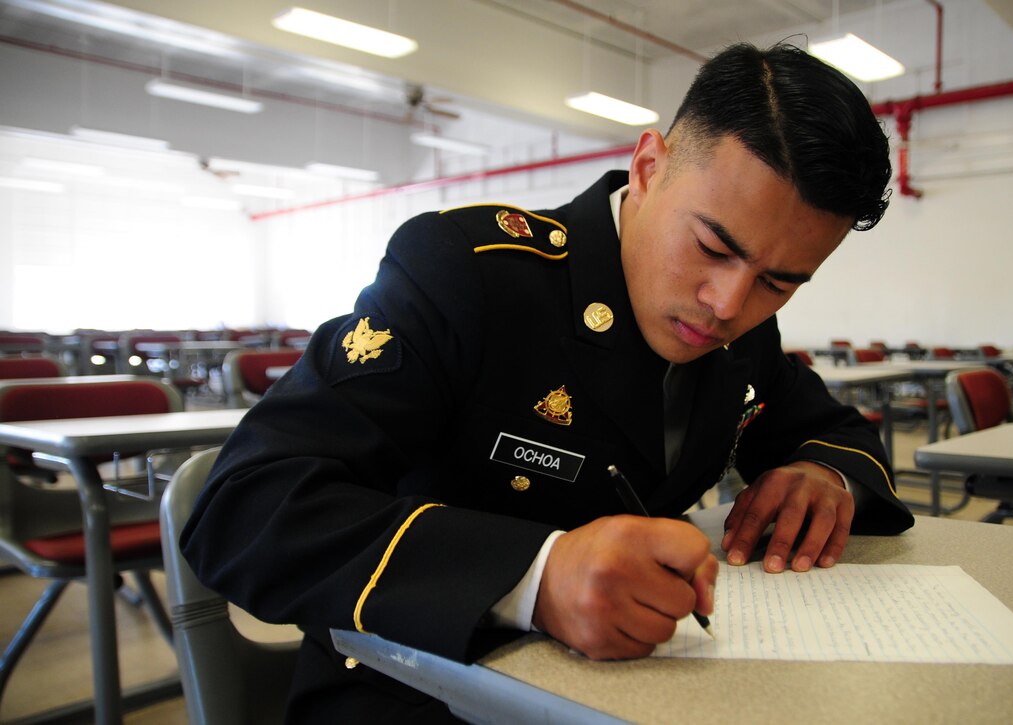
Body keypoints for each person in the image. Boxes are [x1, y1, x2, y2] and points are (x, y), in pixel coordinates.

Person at [182, 41, 914, 722]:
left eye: (779, 283)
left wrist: (826, 476)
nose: (728, 305)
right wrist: (534, 577)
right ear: (649, 166)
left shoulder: (743, 330)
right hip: (415, 692)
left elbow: (831, 430)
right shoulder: (467, 274)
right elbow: (244, 503)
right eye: (713, 246)